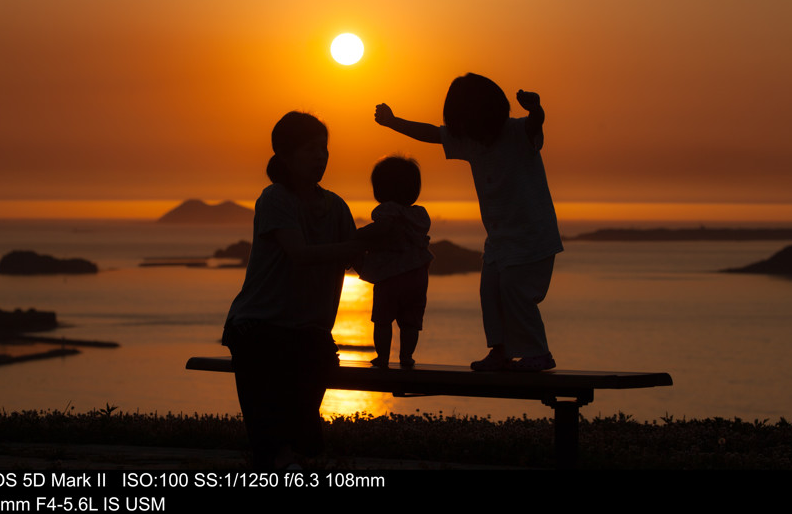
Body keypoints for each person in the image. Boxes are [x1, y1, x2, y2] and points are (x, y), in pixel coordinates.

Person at [374, 73, 562, 372]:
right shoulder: (471, 141)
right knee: (489, 292)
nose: (464, 130)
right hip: (500, 241)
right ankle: (500, 351)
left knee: (516, 292)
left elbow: (535, 123)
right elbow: (432, 133)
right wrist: (393, 122)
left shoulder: (517, 132)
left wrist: (536, 108)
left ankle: (538, 353)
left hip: (532, 236)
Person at [221, 111, 364, 469]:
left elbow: (362, 262)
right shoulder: (275, 199)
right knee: (276, 448)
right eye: (310, 150)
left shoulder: (336, 205)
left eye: (324, 149)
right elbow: (300, 254)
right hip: (259, 330)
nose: (321, 157)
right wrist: (359, 246)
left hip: (308, 335)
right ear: (285, 156)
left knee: (303, 443)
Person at [358, 156, 433, 368]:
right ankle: (406, 357)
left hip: (390, 274)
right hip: (417, 276)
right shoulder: (419, 214)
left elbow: (382, 228)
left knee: (382, 320)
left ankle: (382, 358)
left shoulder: (387, 210)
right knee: (411, 321)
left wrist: (359, 235)